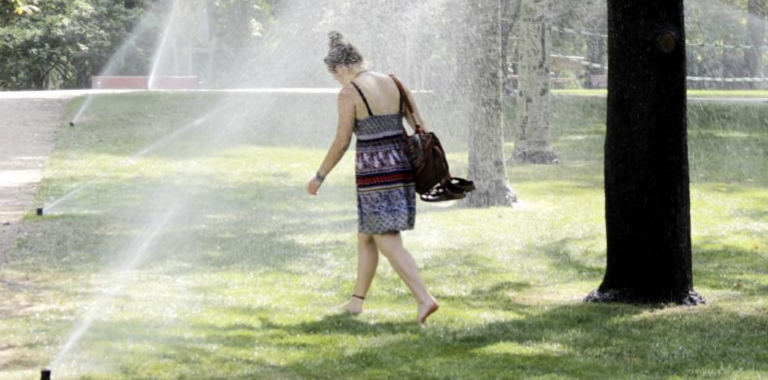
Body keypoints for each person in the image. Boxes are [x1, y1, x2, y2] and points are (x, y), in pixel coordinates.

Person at [306, 31, 439, 325]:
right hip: (402, 166)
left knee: (387, 239)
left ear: (342, 68)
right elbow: (420, 126)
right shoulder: (394, 82)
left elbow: (342, 141)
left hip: (376, 174)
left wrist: (319, 176)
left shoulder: (349, 92)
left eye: (335, 75)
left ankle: (424, 298)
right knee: (367, 235)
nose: (337, 80)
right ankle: (356, 301)